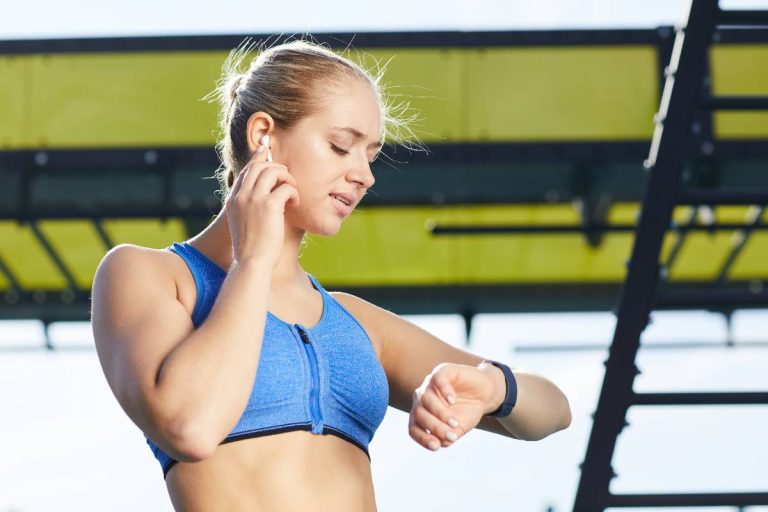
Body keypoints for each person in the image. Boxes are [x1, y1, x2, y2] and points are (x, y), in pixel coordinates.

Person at [90, 37, 572, 511]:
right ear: (263, 136)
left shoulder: (354, 322)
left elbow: (553, 412)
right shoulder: (147, 275)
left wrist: (493, 386)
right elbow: (189, 427)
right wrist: (254, 260)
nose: (365, 174)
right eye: (342, 146)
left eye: (371, 155)